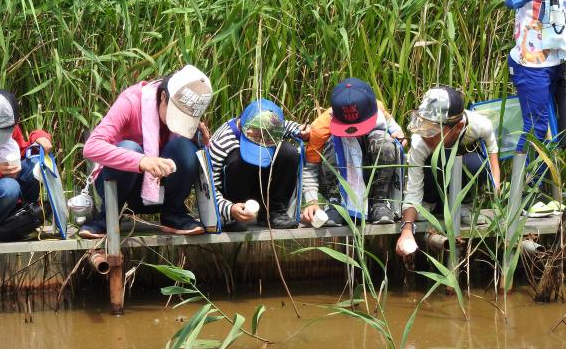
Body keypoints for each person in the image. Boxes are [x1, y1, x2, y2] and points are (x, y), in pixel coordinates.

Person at [81, 65, 212, 238]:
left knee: (185, 148)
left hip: (161, 192)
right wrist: (141, 161)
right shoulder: (132, 101)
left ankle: (173, 213)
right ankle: (108, 217)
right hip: (121, 189)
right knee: (129, 147)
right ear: (164, 97)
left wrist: (203, 144)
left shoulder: (187, 110)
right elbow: (91, 147)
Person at [396, 86, 500, 257]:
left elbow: (493, 155)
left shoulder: (480, 125)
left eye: (433, 131)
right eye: (424, 127)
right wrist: (407, 229)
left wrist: (496, 188)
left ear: (458, 127)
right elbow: (413, 188)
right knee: (436, 160)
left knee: (476, 164)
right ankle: (429, 203)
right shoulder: (419, 142)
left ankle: (464, 204)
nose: (426, 135)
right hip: (432, 182)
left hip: (459, 177)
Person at [301, 78, 406, 225]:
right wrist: (312, 201)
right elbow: (310, 168)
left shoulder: (378, 108)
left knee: (384, 141)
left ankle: (379, 203)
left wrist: (398, 139)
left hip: (370, 174)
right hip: (338, 179)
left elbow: (396, 131)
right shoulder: (320, 128)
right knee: (334, 142)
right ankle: (335, 204)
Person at [209, 98, 310, 230]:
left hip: (264, 186)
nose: (262, 138)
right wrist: (229, 209)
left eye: (266, 138)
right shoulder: (221, 142)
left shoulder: (270, 129)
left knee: (288, 152)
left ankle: (273, 213)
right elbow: (210, 187)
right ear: (243, 126)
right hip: (234, 193)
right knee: (236, 158)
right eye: (257, 136)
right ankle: (234, 218)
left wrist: (299, 131)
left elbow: (284, 126)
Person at [0, 90, 53, 243]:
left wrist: (39, 136)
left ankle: (18, 222)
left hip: (7, 204)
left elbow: (25, 152)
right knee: (9, 187)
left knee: (35, 167)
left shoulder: (13, 133)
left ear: (14, 125)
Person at [505, 0, 566, 152]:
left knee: (560, 129)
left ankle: (549, 182)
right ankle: (527, 184)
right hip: (532, 64)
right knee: (537, 130)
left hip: (558, 60)